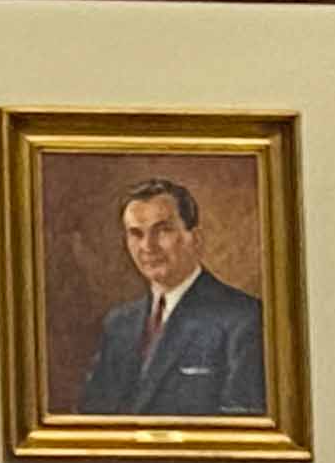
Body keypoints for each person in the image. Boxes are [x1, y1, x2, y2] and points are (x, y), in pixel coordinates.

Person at [78, 178, 265, 416]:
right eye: (136, 234)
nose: (148, 246)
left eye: (163, 230)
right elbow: (90, 417)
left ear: (195, 238)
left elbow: (244, 429)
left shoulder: (243, 319)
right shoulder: (118, 323)